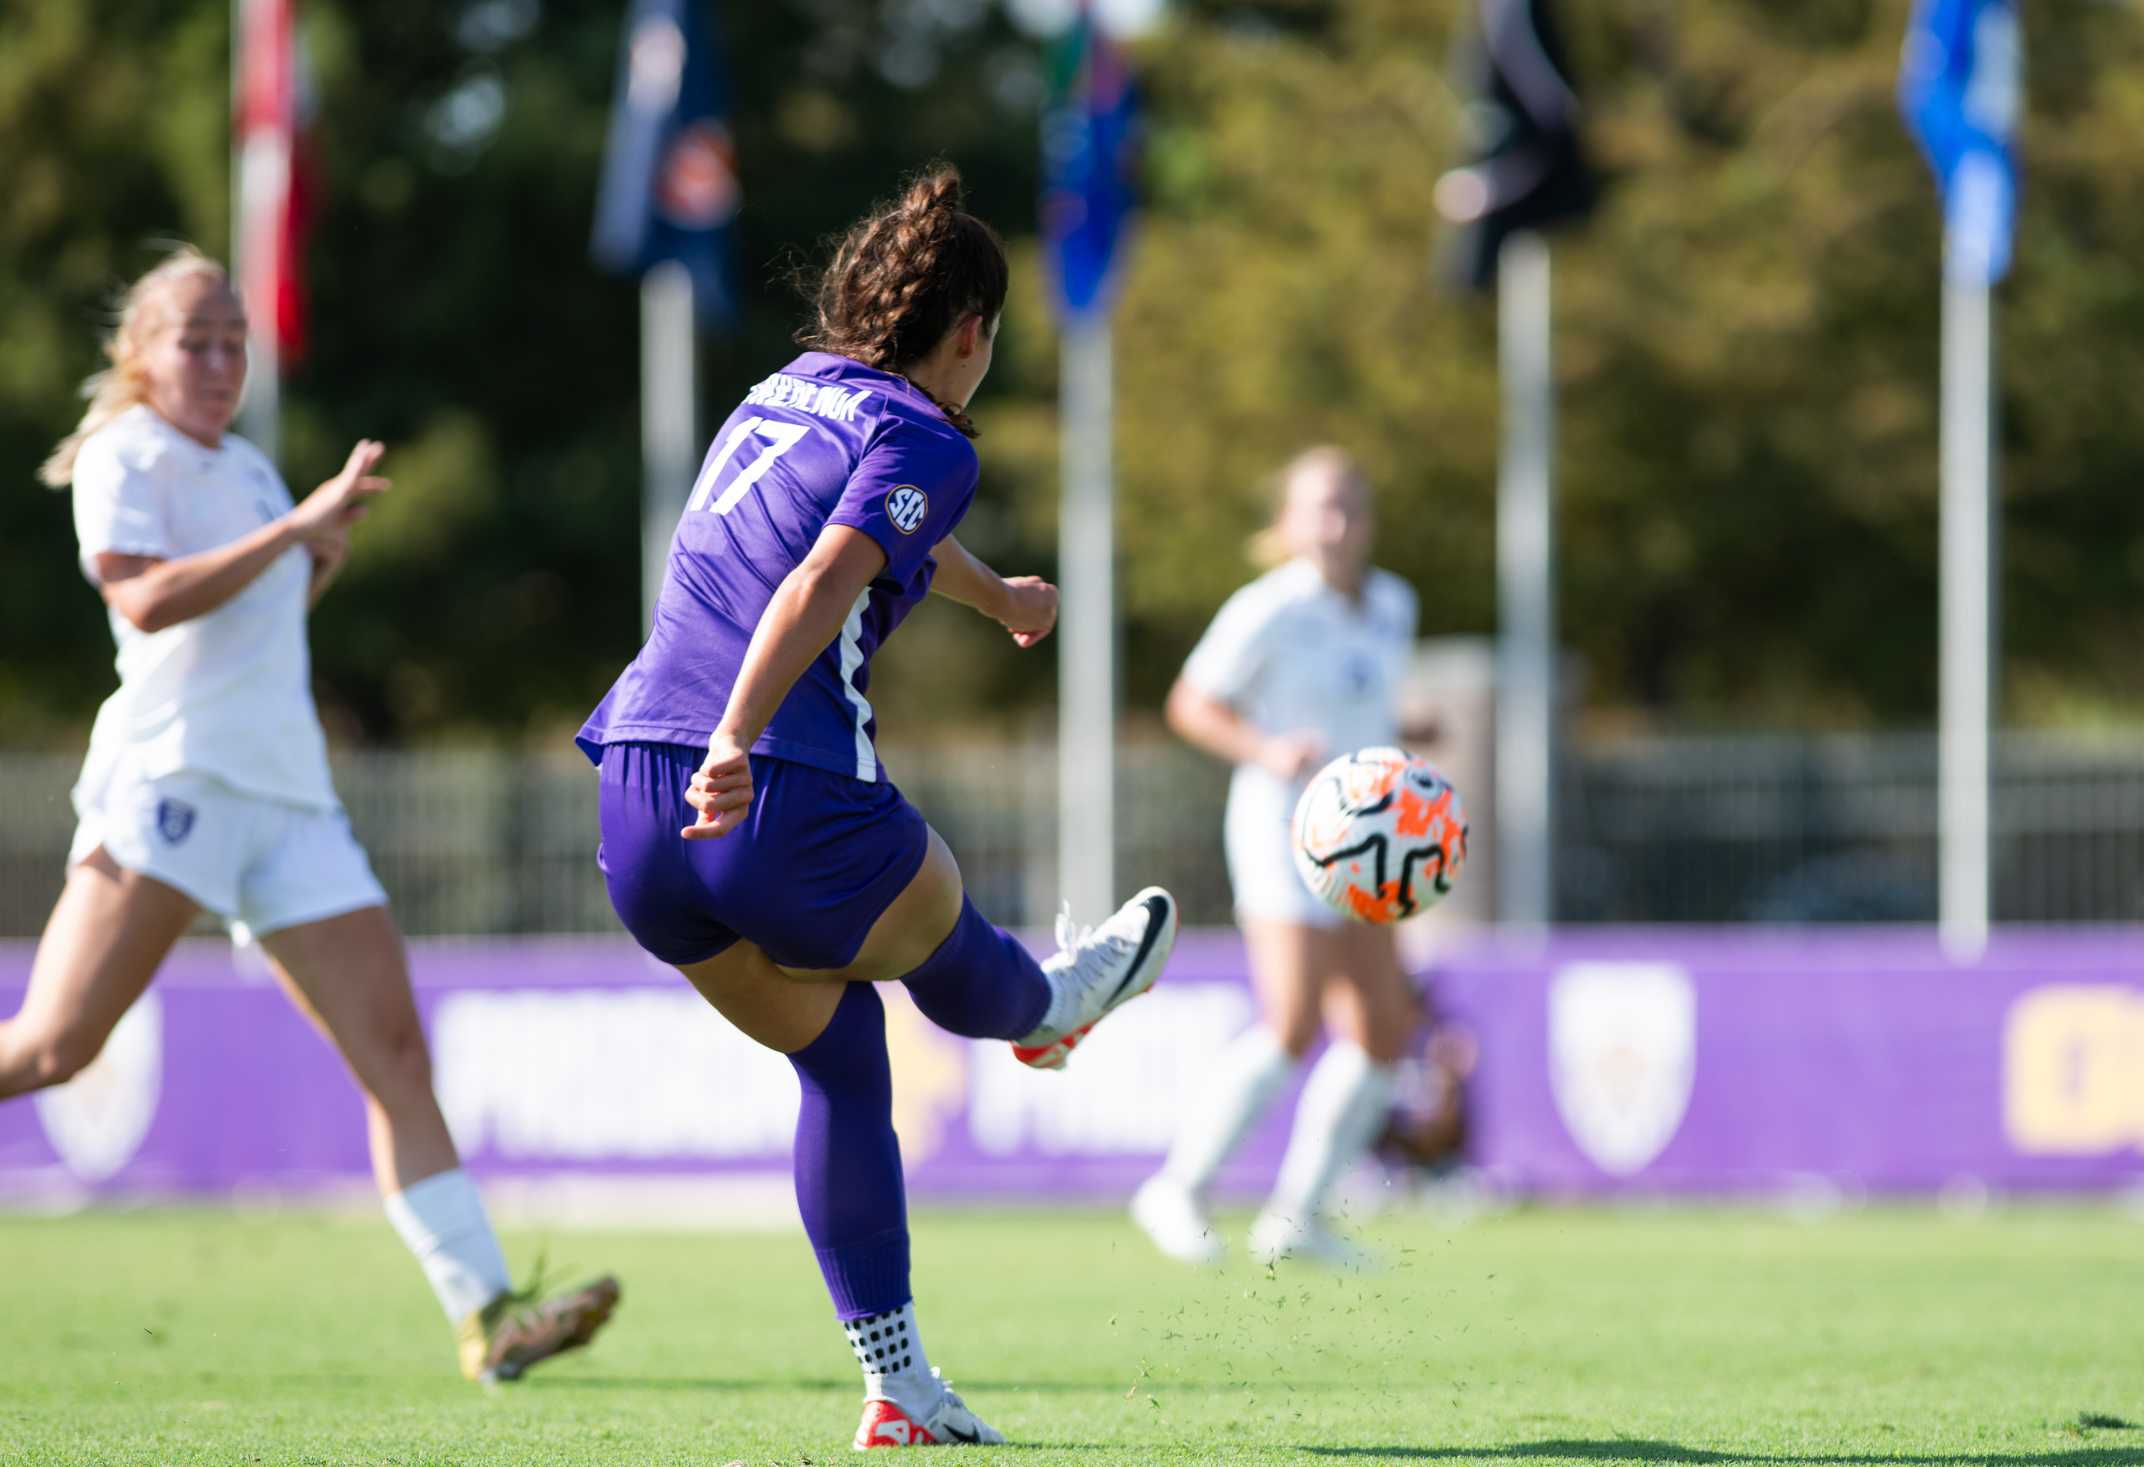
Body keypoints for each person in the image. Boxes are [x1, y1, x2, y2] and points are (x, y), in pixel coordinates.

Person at [579, 165, 1178, 1451]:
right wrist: (740, 737)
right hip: (770, 785)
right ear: (969, 333)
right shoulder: (933, 436)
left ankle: (897, 1385)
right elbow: (824, 572)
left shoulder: (778, 397)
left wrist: (997, 599)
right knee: (951, 936)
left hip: (634, 800)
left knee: (843, 1059)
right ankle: (1052, 1008)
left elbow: (872, 530)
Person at [4, 246, 619, 1383]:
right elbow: (142, 599)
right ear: (138, 355)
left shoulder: (243, 468)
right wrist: (294, 535)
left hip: (288, 799)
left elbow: (254, 622)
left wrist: (314, 556)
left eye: (234, 340)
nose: (221, 359)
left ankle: (490, 1316)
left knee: (395, 1051)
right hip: (175, 783)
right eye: (195, 339)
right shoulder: (124, 454)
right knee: (53, 1046)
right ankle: (488, 1308)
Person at [1130, 446, 1422, 1269]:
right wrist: (1267, 748)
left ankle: (1299, 1219)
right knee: (1292, 1023)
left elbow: (1371, 705)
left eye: (1351, 507)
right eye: (1320, 508)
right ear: (1289, 524)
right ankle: (1179, 1189)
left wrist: (1411, 731)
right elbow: (1192, 703)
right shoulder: (1268, 608)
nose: (1337, 524)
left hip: (1372, 837)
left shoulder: (1394, 604)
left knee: (1383, 1028)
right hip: (1281, 828)